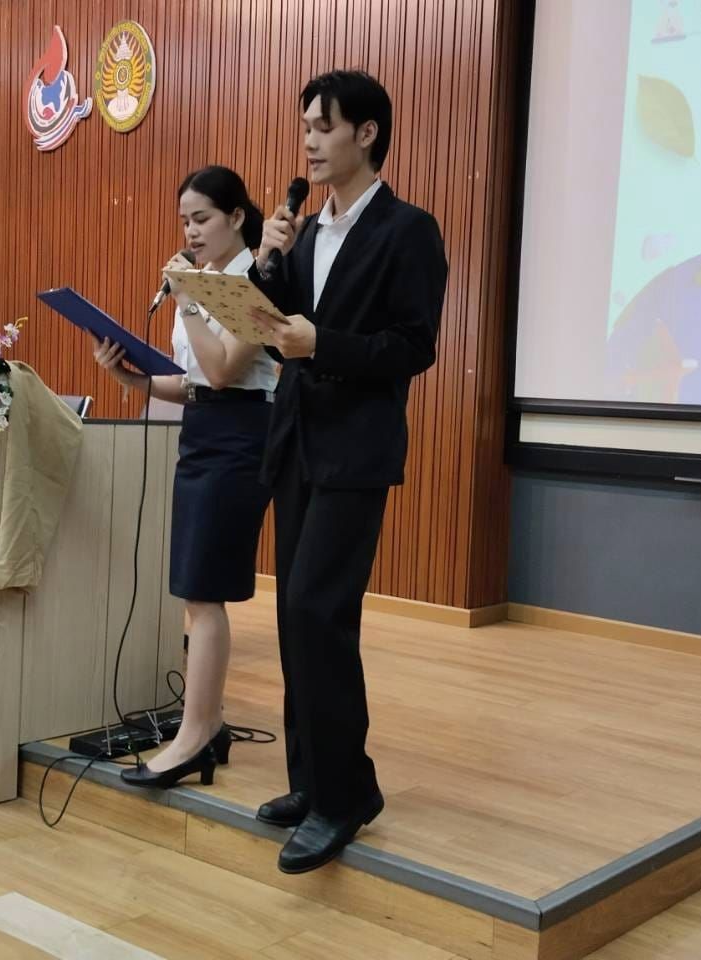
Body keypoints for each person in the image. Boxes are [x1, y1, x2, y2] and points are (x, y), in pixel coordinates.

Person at [245, 70, 449, 874]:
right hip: (297, 442)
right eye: (304, 128)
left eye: (323, 127)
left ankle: (346, 795)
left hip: (356, 449)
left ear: (367, 133)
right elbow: (274, 330)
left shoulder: (408, 230)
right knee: (295, 619)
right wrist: (266, 264)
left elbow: (414, 346)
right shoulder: (304, 233)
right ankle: (311, 780)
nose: (309, 142)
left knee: (318, 611)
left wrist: (321, 344)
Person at [90, 165, 277, 789]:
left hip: (241, 436)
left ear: (236, 217)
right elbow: (193, 383)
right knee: (195, 588)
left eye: (202, 219)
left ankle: (196, 734)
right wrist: (130, 376)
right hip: (202, 431)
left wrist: (188, 297)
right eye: (184, 222)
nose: (191, 232)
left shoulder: (257, 280)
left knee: (206, 589)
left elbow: (224, 372)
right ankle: (206, 725)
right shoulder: (201, 284)